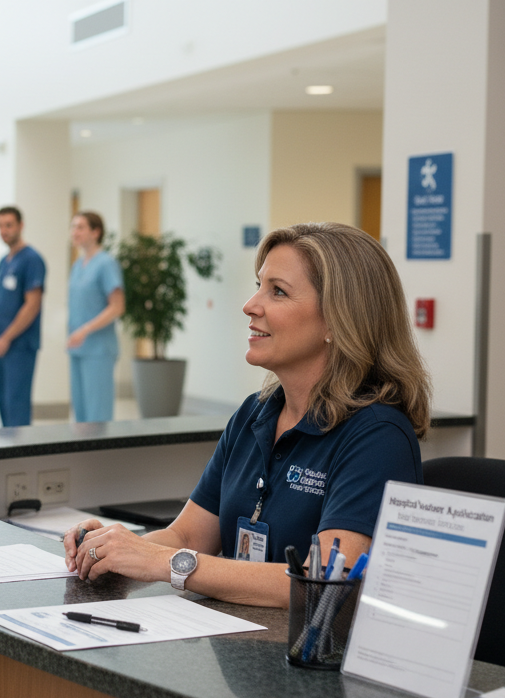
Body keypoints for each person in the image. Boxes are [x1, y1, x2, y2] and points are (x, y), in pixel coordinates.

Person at [65, 223, 431, 608]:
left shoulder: (378, 436)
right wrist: (115, 548)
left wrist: (164, 562)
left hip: (302, 645)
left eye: (278, 291)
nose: (250, 305)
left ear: (337, 320)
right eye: (259, 286)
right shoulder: (253, 414)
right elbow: (187, 537)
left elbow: (321, 581)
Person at [0, 206, 46, 428]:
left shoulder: (32, 260)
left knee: (16, 405)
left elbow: (32, 305)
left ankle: (20, 450)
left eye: (9, 225)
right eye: (0, 226)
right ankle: (6, 448)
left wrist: (7, 338)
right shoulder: (4, 261)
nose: (4, 230)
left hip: (19, 346)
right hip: (0, 343)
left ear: (20, 226)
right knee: (3, 404)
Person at [66, 212, 124, 423]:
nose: (75, 232)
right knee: (80, 414)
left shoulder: (106, 264)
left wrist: (85, 330)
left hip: (98, 350)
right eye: (73, 227)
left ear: (96, 232)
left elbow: (117, 307)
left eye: (80, 227)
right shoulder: (77, 265)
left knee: (97, 416)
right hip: (77, 348)